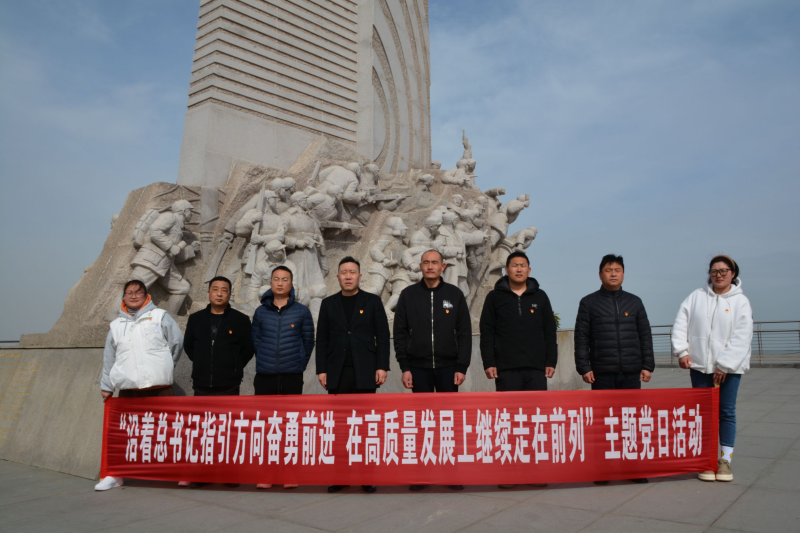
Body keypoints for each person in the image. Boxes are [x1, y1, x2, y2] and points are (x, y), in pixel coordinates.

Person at [393, 249, 472, 491]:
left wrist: (461, 366)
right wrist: (405, 367)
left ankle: (451, 474)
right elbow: (400, 333)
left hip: (449, 368)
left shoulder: (454, 295)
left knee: (448, 422)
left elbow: (465, 332)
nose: (430, 266)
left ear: (443, 266)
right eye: (426, 262)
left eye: (434, 262)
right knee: (421, 423)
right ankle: (421, 475)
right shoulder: (408, 295)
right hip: (418, 368)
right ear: (420, 266)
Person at [94, 280, 184, 491]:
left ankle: (178, 472)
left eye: (138, 292)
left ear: (146, 295)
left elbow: (176, 343)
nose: (133, 296)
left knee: (169, 432)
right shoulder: (116, 325)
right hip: (129, 389)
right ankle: (116, 475)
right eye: (129, 293)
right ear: (124, 297)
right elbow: (110, 357)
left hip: (159, 388)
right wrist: (107, 385)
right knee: (124, 435)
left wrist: (164, 366)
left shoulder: (160, 316)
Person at [671, 255, 752, 483]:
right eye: (714, 271)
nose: (719, 275)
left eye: (724, 270)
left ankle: (725, 461)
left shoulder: (741, 301)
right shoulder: (696, 297)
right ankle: (706, 460)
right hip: (700, 366)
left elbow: (742, 336)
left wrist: (724, 364)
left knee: (726, 412)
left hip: (730, 369)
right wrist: (682, 351)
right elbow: (680, 323)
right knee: (702, 413)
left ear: (733, 273)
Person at [574, 254, 654, 485]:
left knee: (631, 422)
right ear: (600, 274)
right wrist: (584, 367)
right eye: (608, 270)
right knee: (604, 423)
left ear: (623, 274)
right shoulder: (589, 302)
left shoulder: (634, 302)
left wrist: (647, 365)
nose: (613, 274)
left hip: (630, 372)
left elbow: (645, 335)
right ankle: (604, 469)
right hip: (602, 372)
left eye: (617, 270)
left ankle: (633, 468)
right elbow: (581, 337)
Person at [480, 251, 556, 489]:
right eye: (514, 265)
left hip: (535, 369)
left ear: (529, 270)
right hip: (507, 369)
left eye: (523, 265)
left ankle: (536, 472)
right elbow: (487, 332)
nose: (519, 269)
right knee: (508, 422)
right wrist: (489, 362)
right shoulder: (495, 298)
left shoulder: (540, 297)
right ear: (507, 270)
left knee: (536, 421)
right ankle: (509, 473)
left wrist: (550, 361)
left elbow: (549, 331)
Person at [317, 256, 390, 494]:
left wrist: (382, 366)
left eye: (352, 272)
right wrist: (321, 369)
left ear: (360, 276)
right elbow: (322, 339)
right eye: (344, 272)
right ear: (338, 276)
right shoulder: (328, 304)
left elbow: (382, 335)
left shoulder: (372, 301)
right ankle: (341, 477)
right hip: (337, 373)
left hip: (365, 371)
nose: (348, 276)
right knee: (340, 429)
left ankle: (367, 477)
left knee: (366, 427)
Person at [251, 265, 314, 489]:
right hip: (265, 376)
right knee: (266, 426)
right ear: (270, 283)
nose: (280, 283)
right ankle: (267, 473)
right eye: (276, 279)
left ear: (291, 283)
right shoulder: (261, 312)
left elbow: (308, 342)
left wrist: (298, 364)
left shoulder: (302, 311)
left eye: (284, 279)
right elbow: (256, 340)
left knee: (290, 426)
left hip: (291, 376)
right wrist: (266, 360)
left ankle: (289, 473)